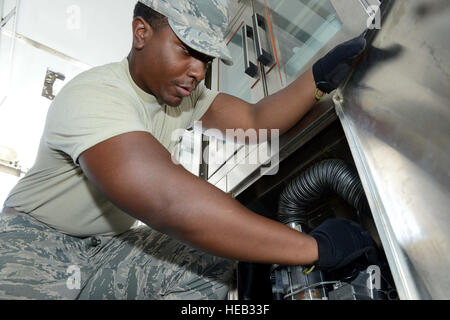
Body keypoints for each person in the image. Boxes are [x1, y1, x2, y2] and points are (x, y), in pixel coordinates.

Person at [0, 0, 375, 299]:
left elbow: (255, 120)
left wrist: (318, 78)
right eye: (187, 50)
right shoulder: (95, 95)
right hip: (35, 237)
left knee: (210, 258)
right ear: (141, 33)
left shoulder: (185, 97)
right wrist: (314, 249)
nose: (197, 70)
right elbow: (169, 203)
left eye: (206, 59)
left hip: (106, 246)